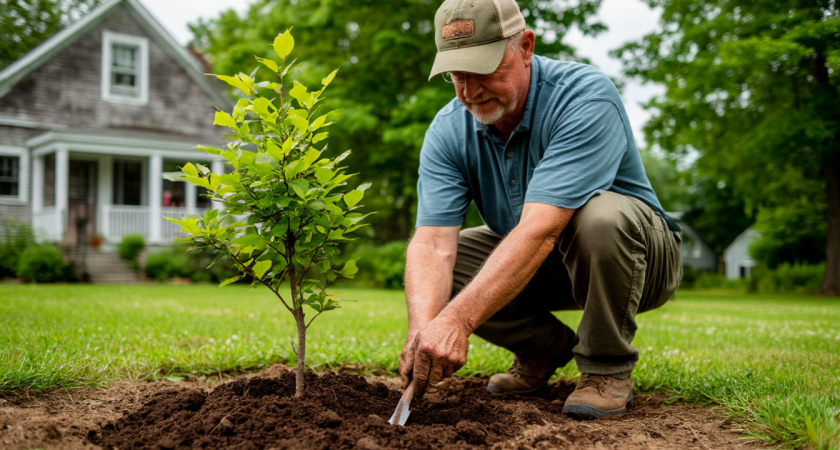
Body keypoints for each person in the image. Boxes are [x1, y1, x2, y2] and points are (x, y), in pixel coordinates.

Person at [398, 0, 683, 420]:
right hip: (546, 260)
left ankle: (606, 369)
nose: (470, 91)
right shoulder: (447, 129)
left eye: (483, 70)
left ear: (526, 46)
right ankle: (543, 349)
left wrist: (457, 320)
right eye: (457, 75)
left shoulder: (584, 97)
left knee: (598, 217)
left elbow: (541, 229)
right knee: (449, 268)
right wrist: (422, 330)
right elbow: (432, 245)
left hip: (638, 260)